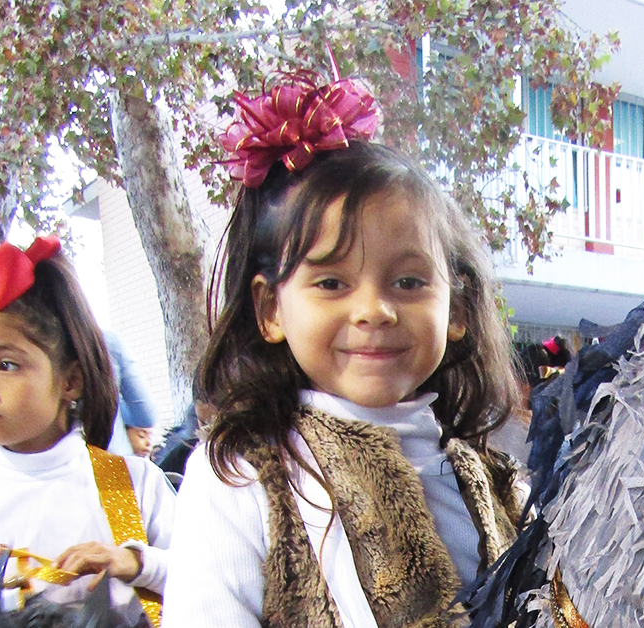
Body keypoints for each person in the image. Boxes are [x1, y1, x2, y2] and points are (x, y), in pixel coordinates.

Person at [163, 71, 526, 628]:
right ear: (270, 311)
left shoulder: (493, 481)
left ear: (455, 306)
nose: (374, 311)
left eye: (408, 282)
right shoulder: (241, 478)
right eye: (331, 283)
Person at [0, 237, 175, 624]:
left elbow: (208, 584)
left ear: (71, 381)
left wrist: (135, 562)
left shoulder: (134, 486)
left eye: (6, 364)